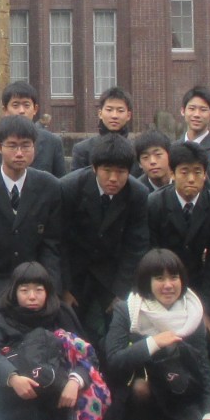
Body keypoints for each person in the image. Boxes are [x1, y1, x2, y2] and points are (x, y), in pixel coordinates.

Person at [104, 249, 210, 420]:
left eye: (174, 277)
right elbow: (113, 360)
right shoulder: (127, 309)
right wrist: (153, 343)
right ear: (146, 281)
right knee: (141, 386)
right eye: (159, 278)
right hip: (138, 387)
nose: (168, 285)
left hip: (180, 385)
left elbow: (204, 367)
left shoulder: (193, 312)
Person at [0, 263, 95, 420]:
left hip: (57, 382)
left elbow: (87, 355)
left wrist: (75, 381)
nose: (32, 296)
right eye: (25, 290)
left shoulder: (62, 314)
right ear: (14, 292)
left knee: (72, 377)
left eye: (39, 290)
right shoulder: (0, 318)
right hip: (18, 385)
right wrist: (12, 377)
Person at [0, 114, 64, 314]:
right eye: (12, 146)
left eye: (26, 146)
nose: (19, 153)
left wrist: (52, 290)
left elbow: (52, 245)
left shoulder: (49, 186)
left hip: (35, 282)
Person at [57, 133, 151, 344]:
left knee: (114, 333)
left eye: (121, 172)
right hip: (74, 270)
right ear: (94, 168)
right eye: (107, 171)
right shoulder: (69, 187)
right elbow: (59, 240)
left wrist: (121, 291)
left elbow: (136, 245)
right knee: (73, 332)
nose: (113, 179)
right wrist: (64, 288)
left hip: (112, 272)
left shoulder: (138, 193)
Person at [146, 141, 210, 312]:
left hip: (201, 283)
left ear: (205, 175)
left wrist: (205, 310)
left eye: (197, 172)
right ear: (172, 173)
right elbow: (151, 254)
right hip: (163, 282)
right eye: (184, 172)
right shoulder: (155, 203)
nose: (191, 179)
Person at [0, 80, 70, 177]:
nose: (21, 111)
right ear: (5, 110)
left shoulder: (52, 142)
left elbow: (60, 182)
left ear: (35, 109)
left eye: (26, 105)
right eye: (15, 105)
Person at [71, 87, 135, 169]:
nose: (114, 115)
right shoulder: (83, 150)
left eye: (120, 110)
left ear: (128, 115)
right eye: (109, 110)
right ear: (100, 113)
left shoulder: (136, 151)